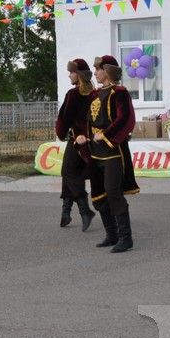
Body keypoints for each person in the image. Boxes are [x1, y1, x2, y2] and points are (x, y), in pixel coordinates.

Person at [78, 55, 139, 252]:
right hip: (95, 152)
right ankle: (111, 234)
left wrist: (105, 134)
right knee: (99, 194)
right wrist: (82, 136)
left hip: (112, 151)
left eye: (98, 69)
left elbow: (125, 119)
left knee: (113, 192)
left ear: (107, 70)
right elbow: (88, 121)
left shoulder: (119, 92)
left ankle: (126, 237)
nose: (94, 72)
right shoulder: (95, 94)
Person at [55, 58, 97, 231]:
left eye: (71, 72)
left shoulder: (73, 94)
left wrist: (61, 132)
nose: (69, 75)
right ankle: (66, 212)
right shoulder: (94, 93)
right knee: (70, 174)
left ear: (78, 75)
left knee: (69, 172)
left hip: (77, 140)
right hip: (90, 141)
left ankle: (85, 210)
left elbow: (64, 118)